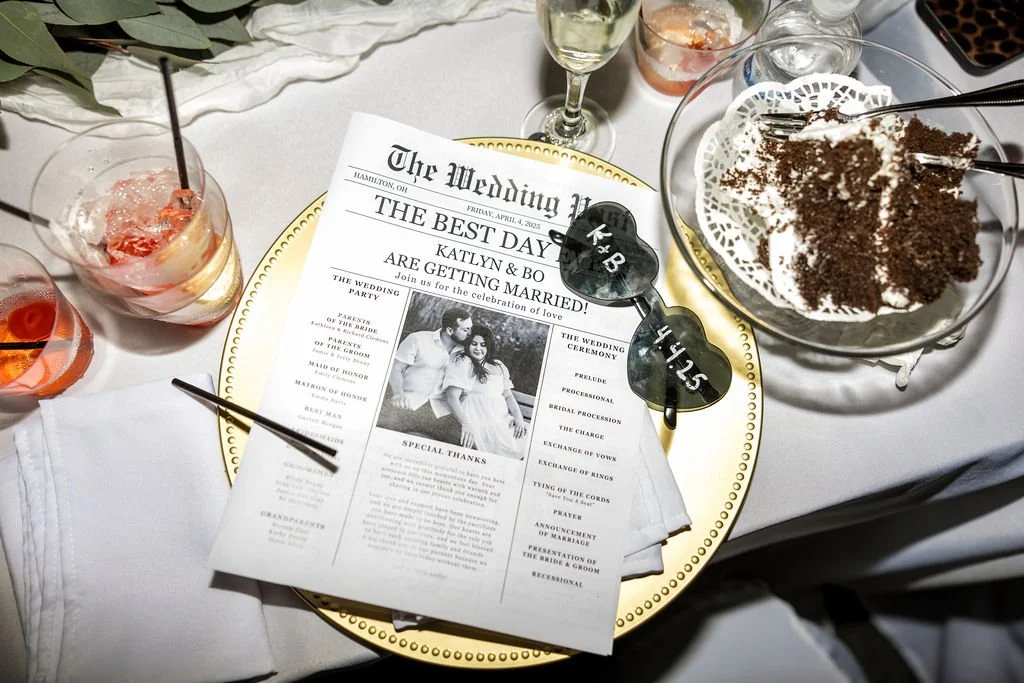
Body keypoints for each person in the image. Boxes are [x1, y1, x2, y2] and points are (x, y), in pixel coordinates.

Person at [378, 307, 472, 442]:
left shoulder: (467, 352)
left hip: (442, 413)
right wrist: (398, 393)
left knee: (466, 443)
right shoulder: (418, 339)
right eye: (465, 329)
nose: (470, 333)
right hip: (409, 403)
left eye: (470, 328)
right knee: (378, 427)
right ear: (450, 331)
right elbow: (396, 368)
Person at [442, 324, 528, 459]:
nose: (478, 348)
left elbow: (508, 396)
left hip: (504, 421)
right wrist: (466, 424)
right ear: (467, 344)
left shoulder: (498, 366)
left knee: (531, 440)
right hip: (481, 423)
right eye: (474, 344)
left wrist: (519, 419)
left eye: (483, 345)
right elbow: (452, 397)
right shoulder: (463, 362)